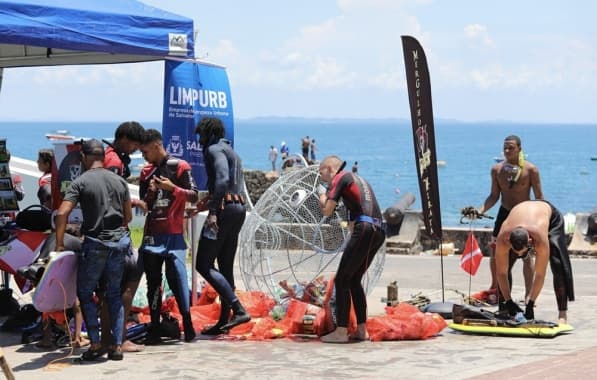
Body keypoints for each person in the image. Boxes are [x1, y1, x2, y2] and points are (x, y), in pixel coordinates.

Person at [54, 139, 132, 361]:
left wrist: (60, 245)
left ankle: (96, 344)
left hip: (95, 244)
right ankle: (116, 347)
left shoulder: (80, 181)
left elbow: (61, 214)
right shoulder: (119, 181)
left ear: (84, 158)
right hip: (119, 244)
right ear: (103, 157)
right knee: (114, 294)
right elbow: (127, 217)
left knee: (86, 293)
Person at [136, 129, 198, 343]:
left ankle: (188, 324)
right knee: (152, 282)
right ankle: (154, 327)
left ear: (156, 145)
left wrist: (173, 189)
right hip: (152, 235)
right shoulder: (145, 172)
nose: (143, 156)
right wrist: (150, 193)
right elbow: (146, 205)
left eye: (145, 151)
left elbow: (195, 195)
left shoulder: (180, 167)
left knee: (177, 279)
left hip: (174, 234)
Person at [317, 155, 385, 343]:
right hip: (378, 231)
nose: (321, 177)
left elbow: (327, 210)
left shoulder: (340, 178)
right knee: (354, 279)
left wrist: (322, 194)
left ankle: (341, 332)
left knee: (342, 279)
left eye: (321, 172)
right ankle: (362, 330)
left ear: (331, 169)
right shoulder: (358, 179)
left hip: (364, 229)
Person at [194, 117, 250, 335]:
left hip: (224, 213)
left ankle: (238, 309)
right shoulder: (232, 152)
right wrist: (202, 206)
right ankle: (224, 321)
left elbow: (222, 180)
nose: (200, 141)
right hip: (238, 209)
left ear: (209, 133)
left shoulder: (214, 150)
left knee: (203, 264)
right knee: (225, 265)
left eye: (201, 135)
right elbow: (228, 187)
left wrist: (213, 213)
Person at [476, 135, 543, 303]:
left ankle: (528, 295)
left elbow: (540, 198)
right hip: (504, 214)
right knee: (496, 253)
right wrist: (480, 210)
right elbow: (493, 196)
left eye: (511, 148)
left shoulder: (530, 170)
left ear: (519, 149)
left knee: (527, 256)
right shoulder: (496, 170)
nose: (507, 151)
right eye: (505, 148)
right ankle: (498, 290)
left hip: (524, 215)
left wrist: (541, 222)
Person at [100, 121, 145, 353]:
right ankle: (120, 338)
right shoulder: (114, 162)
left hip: (100, 234)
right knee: (127, 284)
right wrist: (135, 203)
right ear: (125, 139)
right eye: (135, 146)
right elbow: (113, 197)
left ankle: (108, 339)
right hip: (116, 234)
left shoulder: (104, 157)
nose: (136, 151)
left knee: (108, 290)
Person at [494, 200, 574, 324]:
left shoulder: (540, 239)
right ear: (509, 240)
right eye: (516, 252)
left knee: (558, 263)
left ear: (530, 242)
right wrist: (508, 301)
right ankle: (506, 308)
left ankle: (562, 314)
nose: (520, 256)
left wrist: (531, 303)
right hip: (520, 210)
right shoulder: (502, 238)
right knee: (505, 265)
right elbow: (501, 273)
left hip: (549, 215)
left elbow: (540, 274)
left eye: (523, 252)